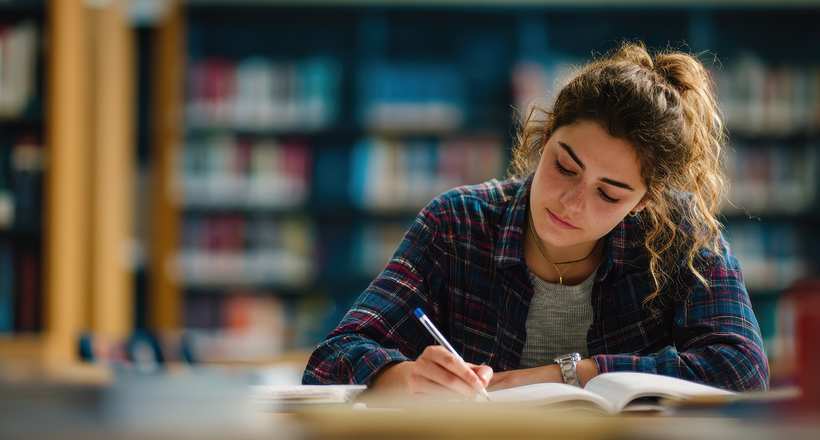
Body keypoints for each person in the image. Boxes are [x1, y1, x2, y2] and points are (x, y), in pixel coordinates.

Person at [302, 42, 769, 398]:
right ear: (543, 139)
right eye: (565, 166)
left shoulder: (680, 237)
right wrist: (407, 378)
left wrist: (574, 373)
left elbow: (743, 370)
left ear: (645, 202)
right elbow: (331, 360)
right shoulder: (457, 222)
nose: (571, 201)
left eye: (609, 193)